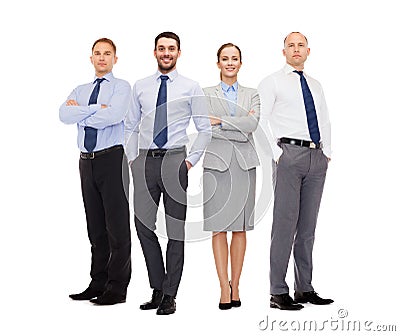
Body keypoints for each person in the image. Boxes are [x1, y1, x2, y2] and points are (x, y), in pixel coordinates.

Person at [125, 31, 211, 315]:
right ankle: (158, 287)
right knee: (143, 226)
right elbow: (130, 126)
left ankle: (170, 294)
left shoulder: (191, 86)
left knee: (175, 230)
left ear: (178, 53)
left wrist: (190, 162)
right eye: (161, 48)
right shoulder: (140, 86)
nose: (166, 53)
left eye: (171, 49)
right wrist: (133, 159)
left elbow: (204, 129)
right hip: (146, 161)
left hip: (176, 161)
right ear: (154, 52)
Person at [258, 32, 333, 310]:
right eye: (291, 45)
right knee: (284, 225)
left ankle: (305, 288)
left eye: (301, 45)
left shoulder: (315, 85)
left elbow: (324, 119)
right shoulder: (272, 82)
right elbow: (261, 121)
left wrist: (327, 153)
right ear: (284, 51)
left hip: (316, 157)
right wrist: (278, 155)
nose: (296, 49)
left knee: (308, 227)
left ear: (308, 51)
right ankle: (278, 291)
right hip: (289, 155)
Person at [59, 38, 131, 306]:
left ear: (115, 58)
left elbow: (114, 116)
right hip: (86, 162)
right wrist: (94, 109)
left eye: (107, 54)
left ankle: (117, 287)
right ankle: (97, 282)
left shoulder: (122, 88)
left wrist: (81, 113)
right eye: (97, 53)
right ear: (91, 58)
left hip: (111, 159)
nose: (102, 58)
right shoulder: (80, 89)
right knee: (96, 227)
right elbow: (63, 115)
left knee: (116, 226)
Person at [202, 43, 260, 310]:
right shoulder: (205, 94)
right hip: (216, 165)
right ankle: (222, 286)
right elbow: (205, 126)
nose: (229, 63)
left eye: (234, 58)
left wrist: (222, 121)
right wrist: (238, 123)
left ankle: (236, 286)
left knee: (240, 227)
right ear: (218, 64)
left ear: (240, 63)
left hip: (244, 165)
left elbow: (253, 125)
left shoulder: (253, 94)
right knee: (218, 227)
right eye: (225, 59)